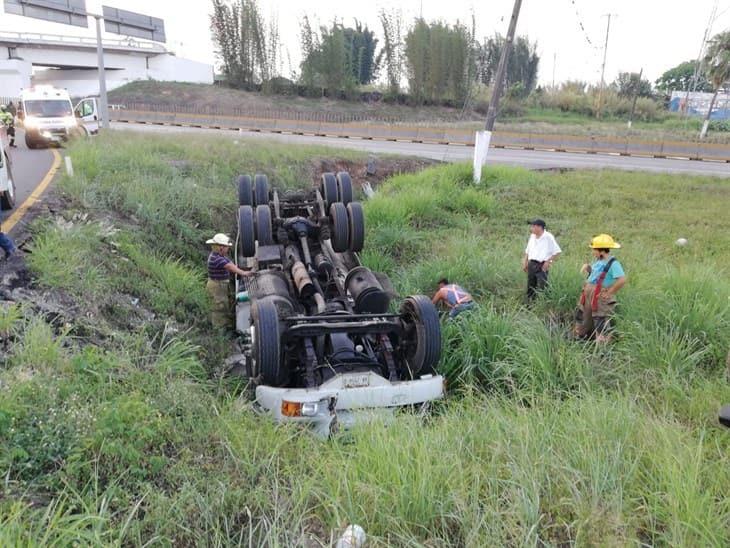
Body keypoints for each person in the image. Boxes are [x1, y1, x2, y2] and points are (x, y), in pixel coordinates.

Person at [574, 234, 627, 344]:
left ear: (602, 251)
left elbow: (622, 280)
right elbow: (595, 274)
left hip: (600, 295)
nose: (593, 252)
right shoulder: (598, 261)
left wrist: (610, 292)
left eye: (594, 250)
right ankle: (581, 340)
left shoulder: (614, 263)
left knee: (601, 321)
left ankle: (603, 349)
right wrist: (588, 268)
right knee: (583, 317)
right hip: (588, 293)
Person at [206, 233, 253, 329]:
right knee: (218, 307)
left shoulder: (219, 256)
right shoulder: (216, 259)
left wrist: (241, 268)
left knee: (226, 304)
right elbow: (230, 267)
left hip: (222, 284)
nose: (228, 249)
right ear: (220, 248)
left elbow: (230, 262)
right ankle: (219, 329)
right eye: (227, 247)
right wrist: (244, 273)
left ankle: (227, 325)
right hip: (216, 286)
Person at [522, 219, 561, 300]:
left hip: (542, 265)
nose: (531, 228)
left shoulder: (548, 237)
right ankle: (530, 304)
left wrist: (548, 262)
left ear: (540, 227)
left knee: (542, 286)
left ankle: (545, 303)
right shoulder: (532, 236)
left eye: (533, 226)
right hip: (532, 264)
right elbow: (528, 250)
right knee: (530, 285)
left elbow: (557, 252)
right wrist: (525, 261)